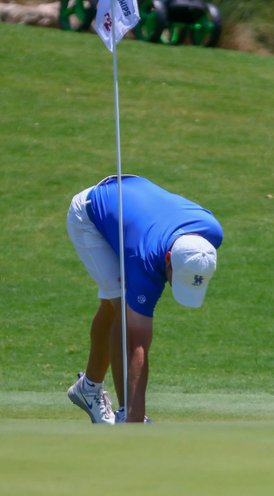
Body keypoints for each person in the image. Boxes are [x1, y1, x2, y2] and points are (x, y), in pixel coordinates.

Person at [66, 175, 223, 424]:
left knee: (112, 304)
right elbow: (136, 342)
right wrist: (135, 420)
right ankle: (125, 412)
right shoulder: (145, 261)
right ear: (168, 258)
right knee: (122, 311)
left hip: (131, 201)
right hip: (90, 214)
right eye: (176, 279)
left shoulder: (211, 236)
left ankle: (88, 389)